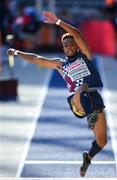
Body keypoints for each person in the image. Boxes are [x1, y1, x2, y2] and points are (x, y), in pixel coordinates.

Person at [7, 11, 107, 177]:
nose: (69, 47)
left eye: (71, 44)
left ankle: (88, 157)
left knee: (102, 141)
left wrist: (58, 21)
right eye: (66, 45)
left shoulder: (86, 57)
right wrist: (17, 53)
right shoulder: (60, 65)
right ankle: (90, 117)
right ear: (63, 48)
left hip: (94, 98)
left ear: (77, 46)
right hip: (77, 102)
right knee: (83, 87)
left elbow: (77, 34)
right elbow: (36, 59)